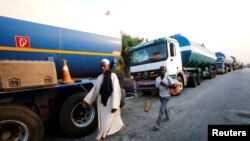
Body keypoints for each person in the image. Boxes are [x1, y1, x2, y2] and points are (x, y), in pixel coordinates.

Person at [82, 59, 125, 141]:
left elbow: (116, 90)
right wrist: (87, 101)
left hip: (111, 101)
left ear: (108, 66)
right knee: (111, 117)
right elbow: (95, 90)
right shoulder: (100, 77)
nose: (102, 67)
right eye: (101, 66)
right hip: (102, 102)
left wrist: (115, 105)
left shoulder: (113, 76)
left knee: (106, 120)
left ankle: (102, 136)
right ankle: (120, 125)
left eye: (104, 66)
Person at [151, 66, 175, 130]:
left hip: (166, 96)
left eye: (164, 70)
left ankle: (157, 124)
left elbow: (174, 86)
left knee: (161, 109)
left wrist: (166, 85)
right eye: (161, 70)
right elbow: (156, 89)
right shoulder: (157, 79)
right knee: (165, 108)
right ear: (159, 71)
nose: (163, 71)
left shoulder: (168, 77)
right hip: (161, 96)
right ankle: (167, 118)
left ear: (165, 71)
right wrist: (151, 96)